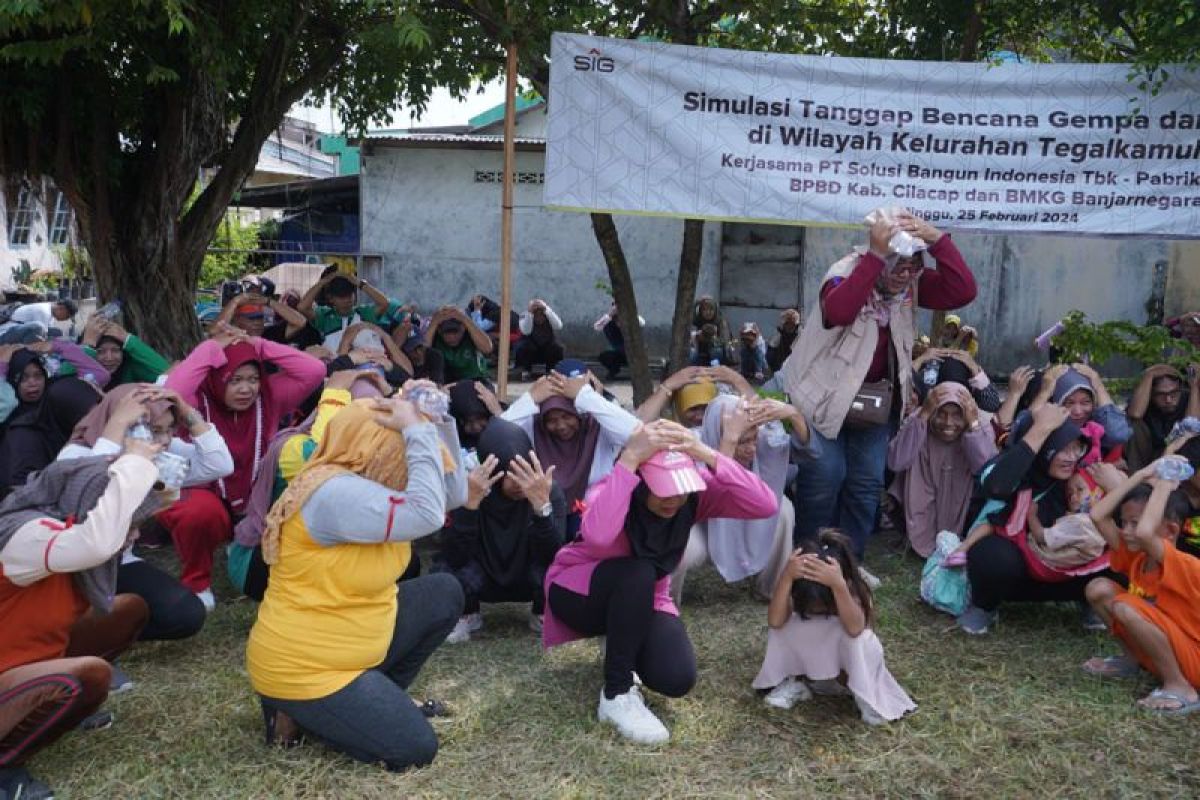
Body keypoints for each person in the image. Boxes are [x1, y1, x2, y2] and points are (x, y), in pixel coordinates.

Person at [246, 396, 464, 771]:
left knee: (443, 592)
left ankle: (371, 703)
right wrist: (416, 431)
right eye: (398, 446)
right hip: (308, 666)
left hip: (359, 635)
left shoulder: (369, 484)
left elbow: (453, 496)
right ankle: (299, 710)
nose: (406, 457)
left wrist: (436, 419)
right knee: (415, 748)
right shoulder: (334, 493)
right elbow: (428, 514)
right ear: (371, 448)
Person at [543, 420, 778, 744]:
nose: (674, 498)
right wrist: (628, 460)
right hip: (578, 592)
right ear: (638, 479)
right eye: (662, 489)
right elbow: (597, 539)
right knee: (638, 572)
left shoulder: (692, 496)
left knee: (676, 677)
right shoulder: (614, 487)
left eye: (680, 488)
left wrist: (705, 453)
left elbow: (765, 504)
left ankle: (622, 637)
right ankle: (616, 694)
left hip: (643, 598)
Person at [779, 209, 977, 574]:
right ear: (881, 258)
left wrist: (937, 240)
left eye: (914, 266)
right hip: (824, 401)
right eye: (899, 265)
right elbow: (838, 311)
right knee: (825, 478)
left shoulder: (910, 284)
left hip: (875, 404)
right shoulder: (844, 273)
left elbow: (963, 289)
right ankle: (807, 560)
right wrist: (874, 258)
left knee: (865, 484)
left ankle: (848, 564)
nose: (907, 275)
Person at [0, 447, 162, 799]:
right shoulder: (28, 535)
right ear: (90, 508)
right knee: (88, 675)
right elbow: (97, 543)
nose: (133, 535)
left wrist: (146, 454)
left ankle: (57, 708)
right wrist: (133, 463)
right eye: (129, 523)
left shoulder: (67, 520)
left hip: (23, 655)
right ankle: (4, 769)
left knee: (127, 610)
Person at [162, 324, 325, 609]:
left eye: (252, 379)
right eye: (234, 380)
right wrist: (211, 348)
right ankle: (197, 583)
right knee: (198, 512)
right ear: (216, 378)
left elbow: (314, 370)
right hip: (207, 491)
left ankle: (254, 549)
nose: (246, 389)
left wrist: (256, 344)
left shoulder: (269, 398)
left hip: (257, 495)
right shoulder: (195, 400)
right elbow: (172, 391)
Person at [58, 384, 233, 643]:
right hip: (73, 566)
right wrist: (117, 425)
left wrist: (187, 412)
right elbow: (90, 493)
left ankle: (101, 631)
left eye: (169, 429)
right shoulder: (79, 453)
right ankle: (74, 633)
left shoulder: (160, 452)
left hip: (118, 560)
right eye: (153, 430)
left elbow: (219, 464)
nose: (162, 440)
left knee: (186, 614)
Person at [956, 404, 1113, 635]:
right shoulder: (1011, 469)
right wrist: (1040, 429)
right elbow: (997, 486)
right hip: (1018, 576)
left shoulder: (1080, 479)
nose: (1072, 458)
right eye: (1062, 449)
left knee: (1116, 546)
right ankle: (984, 605)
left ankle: (1090, 599)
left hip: (1065, 570)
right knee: (993, 555)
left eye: (1076, 449)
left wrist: (1119, 487)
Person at [753, 531, 915, 725]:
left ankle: (864, 693)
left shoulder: (853, 589)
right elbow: (775, 621)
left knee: (857, 638)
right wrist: (786, 577)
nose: (816, 608)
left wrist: (838, 586)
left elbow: (855, 629)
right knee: (783, 628)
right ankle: (797, 682)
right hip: (812, 668)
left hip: (846, 673)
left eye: (822, 601)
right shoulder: (794, 586)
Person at [671, 395, 815, 603]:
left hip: (744, 513)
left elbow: (811, 453)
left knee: (783, 510)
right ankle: (664, 603)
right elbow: (714, 491)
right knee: (684, 547)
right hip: (701, 522)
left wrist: (793, 414)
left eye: (753, 439)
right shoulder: (694, 442)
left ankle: (772, 587)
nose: (752, 448)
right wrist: (729, 440)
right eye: (743, 442)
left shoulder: (760, 438)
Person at [1083, 460, 1200, 714]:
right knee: (1099, 589)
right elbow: (1097, 516)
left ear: (1170, 531)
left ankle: (1180, 687)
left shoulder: (1183, 564)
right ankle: (1132, 659)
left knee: (1125, 605)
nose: (1126, 531)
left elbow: (1146, 533)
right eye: (1125, 523)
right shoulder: (1138, 557)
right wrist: (1141, 474)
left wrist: (1165, 483)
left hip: (1194, 660)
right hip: (1166, 648)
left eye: (1135, 523)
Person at [440, 419, 566, 642]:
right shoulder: (473, 489)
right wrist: (469, 507)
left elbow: (554, 555)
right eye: (509, 472)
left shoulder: (547, 490)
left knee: (562, 568)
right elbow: (454, 554)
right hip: (483, 573)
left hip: (528, 574)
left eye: (523, 469)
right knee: (444, 570)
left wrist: (541, 508)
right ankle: (468, 613)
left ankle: (542, 612)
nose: (518, 482)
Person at [503, 362, 640, 534]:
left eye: (567, 416)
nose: (560, 426)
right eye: (552, 420)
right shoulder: (535, 423)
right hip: (542, 510)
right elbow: (496, 436)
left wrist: (587, 397)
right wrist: (529, 399)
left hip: (592, 514)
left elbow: (636, 433)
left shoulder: (597, 422)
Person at [886, 383, 997, 558]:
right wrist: (923, 416)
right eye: (941, 414)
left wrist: (973, 425)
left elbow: (986, 472)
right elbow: (896, 462)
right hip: (921, 488)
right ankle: (916, 536)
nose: (948, 423)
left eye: (956, 416)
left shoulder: (978, 424)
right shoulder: (921, 418)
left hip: (963, 496)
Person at [0, 343, 109, 492]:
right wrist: (2, 365)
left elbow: (99, 375)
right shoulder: (11, 416)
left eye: (38, 375)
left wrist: (57, 346)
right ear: (12, 379)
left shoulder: (55, 393)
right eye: (23, 378)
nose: (32, 383)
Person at [946, 469, 1106, 569]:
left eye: (1080, 489)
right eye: (1070, 493)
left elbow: (1041, 536)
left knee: (996, 523)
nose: (1073, 497)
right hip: (1050, 559)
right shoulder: (1081, 519)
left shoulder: (1082, 521)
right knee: (996, 522)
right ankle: (962, 549)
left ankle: (962, 548)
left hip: (1039, 553)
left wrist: (1031, 515)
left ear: (1098, 493)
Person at [1013, 363, 1131, 462]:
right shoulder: (1049, 427)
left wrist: (1099, 387)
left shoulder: (1095, 427)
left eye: (1085, 402)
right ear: (1057, 403)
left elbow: (1118, 433)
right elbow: (1021, 435)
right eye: (1069, 403)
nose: (1078, 412)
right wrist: (1045, 391)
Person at [1125, 365, 1199, 471]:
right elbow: (1135, 413)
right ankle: (1136, 477)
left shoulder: (1189, 398)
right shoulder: (1145, 400)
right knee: (1133, 423)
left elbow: (1192, 424)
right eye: (1161, 394)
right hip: (1152, 454)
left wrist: (1194, 387)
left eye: (1173, 393)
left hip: (1183, 457)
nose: (1168, 399)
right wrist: (1149, 375)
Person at [298, 271, 395, 351]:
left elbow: (384, 303)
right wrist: (323, 282)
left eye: (349, 295)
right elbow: (302, 307)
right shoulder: (325, 316)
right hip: (334, 364)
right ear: (331, 298)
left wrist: (359, 283)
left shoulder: (363, 313)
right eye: (341, 296)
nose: (347, 300)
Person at [79, 316, 170, 387]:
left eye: (115, 350)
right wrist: (88, 344)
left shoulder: (129, 367)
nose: (109, 358)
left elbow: (168, 374)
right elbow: (67, 378)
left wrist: (128, 339)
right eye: (100, 351)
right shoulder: (83, 371)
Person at [424, 306, 493, 382]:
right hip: (447, 383)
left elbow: (487, 348)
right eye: (447, 332)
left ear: (463, 328)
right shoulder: (434, 336)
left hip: (476, 380)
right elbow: (422, 353)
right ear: (439, 331)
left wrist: (464, 318)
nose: (452, 337)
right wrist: (434, 323)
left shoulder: (471, 332)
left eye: (456, 331)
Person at [218, 289, 310, 345]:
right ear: (237, 320)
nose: (257, 323)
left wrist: (268, 301)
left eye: (259, 318)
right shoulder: (229, 338)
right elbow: (214, 330)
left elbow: (300, 322)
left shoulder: (270, 335)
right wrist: (235, 301)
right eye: (251, 319)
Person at [448, 378, 504, 453]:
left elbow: (512, 439)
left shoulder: (502, 420)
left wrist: (499, 413)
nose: (476, 426)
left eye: (480, 418)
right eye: (468, 421)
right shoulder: (456, 439)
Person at [515, 299, 565, 382]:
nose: (539, 317)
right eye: (536, 315)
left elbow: (559, 326)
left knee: (558, 348)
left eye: (541, 314)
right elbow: (526, 331)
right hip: (532, 351)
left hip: (546, 350)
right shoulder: (525, 315)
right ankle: (525, 371)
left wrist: (546, 309)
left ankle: (552, 372)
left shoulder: (549, 316)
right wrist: (530, 313)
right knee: (522, 347)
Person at [594, 303, 643, 381]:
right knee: (604, 356)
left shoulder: (630, 321)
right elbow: (597, 327)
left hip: (632, 353)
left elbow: (642, 323)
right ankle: (614, 370)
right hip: (619, 354)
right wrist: (610, 314)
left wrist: (631, 312)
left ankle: (638, 376)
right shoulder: (609, 323)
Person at [765, 309, 800, 374]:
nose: (789, 326)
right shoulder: (778, 334)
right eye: (787, 324)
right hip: (779, 367)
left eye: (792, 324)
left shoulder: (800, 335)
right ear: (783, 324)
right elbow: (769, 355)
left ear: (796, 325)